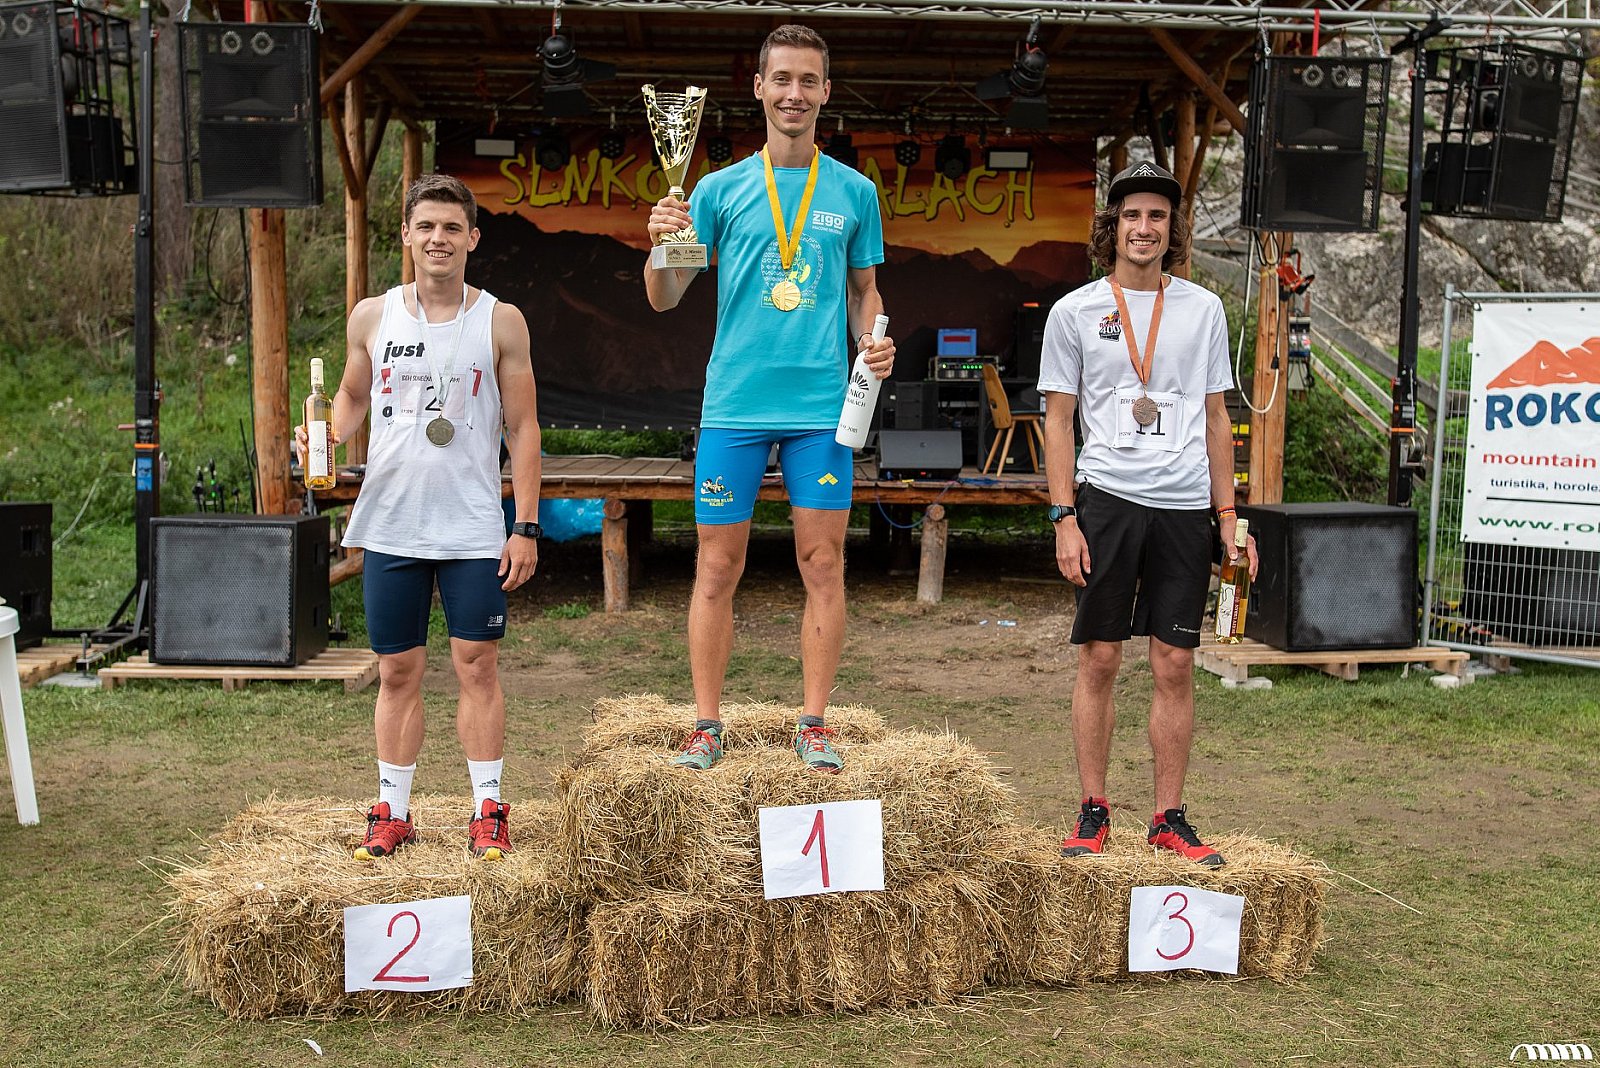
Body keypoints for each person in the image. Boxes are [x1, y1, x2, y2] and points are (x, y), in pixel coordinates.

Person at [643, 24, 894, 773]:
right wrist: (661, 243)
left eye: (808, 80)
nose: (794, 93)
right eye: (781, 78)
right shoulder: (716, 191)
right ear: (758, 88)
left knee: (823, 563)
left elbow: (864, 290)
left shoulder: (854, 192)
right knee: (717, 568)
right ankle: (705, 725)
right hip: (735, 407)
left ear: (826, 92)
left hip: (821, 411)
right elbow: (665, 297)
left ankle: (813, 723)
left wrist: (873, 339)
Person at [295, 173, 542, 861]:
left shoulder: (500, 320)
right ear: (405, 234)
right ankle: (393, 811)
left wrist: (525, 525)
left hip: (472, 527)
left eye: (452, 227)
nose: (439, 238)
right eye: (426, 226)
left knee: (476, 666)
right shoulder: (372, 316)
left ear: (472, 238)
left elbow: (523, 428)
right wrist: (323, 435)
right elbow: (351, 397)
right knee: (397, 671)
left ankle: (488, 810)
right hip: (392, 522)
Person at [1037, 160, 1257, 866]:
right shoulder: (1075, 311)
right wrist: (1064, 517)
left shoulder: (1204, 309)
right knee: (1101, 657)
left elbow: (1217, 417)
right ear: (1113, 225)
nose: (1144, 227)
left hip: (1184, 507)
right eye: (1132, 214)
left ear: (1172, 228)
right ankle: (1093, 808)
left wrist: (1229, 515)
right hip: (1106, 501)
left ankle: (1168, 817)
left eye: (1157, 216)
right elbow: (1058, 421)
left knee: (1175, 663)